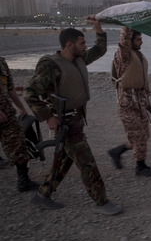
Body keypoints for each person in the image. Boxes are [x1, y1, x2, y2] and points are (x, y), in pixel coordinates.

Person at [24, 17, 122, 215]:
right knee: (86, 161)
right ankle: (102, 202)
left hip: (76, 120)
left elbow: (99, 50)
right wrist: (48, 118)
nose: (85, 46)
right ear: (69, 45)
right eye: (82, 43)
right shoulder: (50, 66)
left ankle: (42, 195)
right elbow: (29, 93)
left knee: (65, 160)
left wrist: (98, 29)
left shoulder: (78, 59)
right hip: (64, 122)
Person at [108, 27, 151, 177]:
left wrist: (148, 103)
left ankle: (117, 151)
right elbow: (122, 43)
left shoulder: (139, 56)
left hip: (140, 102)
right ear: (130, 40)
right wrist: (127, 25)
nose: (141, 42)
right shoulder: (124, 57)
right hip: (127, 104)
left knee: (144, 135)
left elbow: (143, 82)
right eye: (138, 39)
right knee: (139, 136)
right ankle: (140, 167)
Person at [0, 57, 39, 192]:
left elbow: (10, 89)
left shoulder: (2, 63)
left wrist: (21, 107)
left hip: (7, 114)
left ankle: (24, 182)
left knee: (18, 145)